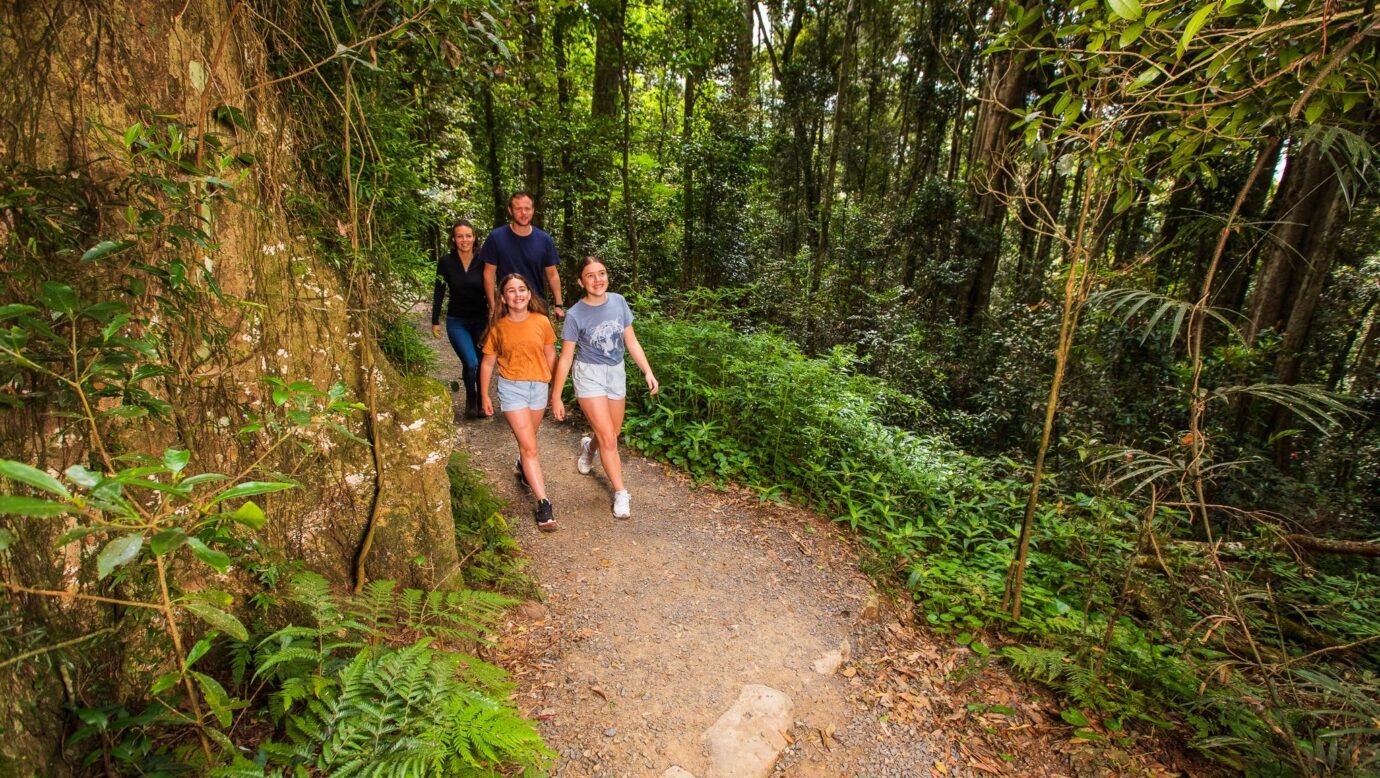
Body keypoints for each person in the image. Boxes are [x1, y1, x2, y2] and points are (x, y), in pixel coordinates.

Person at [550, 257, 659, 519]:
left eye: (602, 273)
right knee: (609, 438)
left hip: (615, 371)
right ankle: (621, 492)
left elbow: (630, 341)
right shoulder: (575, 314)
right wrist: (555, 396)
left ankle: (589, 449)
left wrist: (647, 370)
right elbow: (565, 357)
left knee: (613, 431)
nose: (598, 280)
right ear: (580, 281)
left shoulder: (619, 301)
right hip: (589, 374)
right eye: (590, 275)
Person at [480, 274, 559, 531]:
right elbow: (488, 362)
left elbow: (550, 355)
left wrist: (553, 390)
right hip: (512, 389)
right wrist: (484, 394)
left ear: (529, 294)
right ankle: (544, 504)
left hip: (538, 387)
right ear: (503, 298)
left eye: (522, 289)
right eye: (511, 291)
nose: (517, 295)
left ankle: (521, 464)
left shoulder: (542, 321)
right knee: (530, 447)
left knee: (529, 443)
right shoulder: (498, 327)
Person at [430, 219, 489, 419]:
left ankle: (482, 401)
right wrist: (435, 319)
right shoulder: (446, 261)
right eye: (460, 236)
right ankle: (471, 397)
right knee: (470, 362)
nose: (464, 240)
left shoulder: (484, 260)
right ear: (453, 239)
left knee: (481, 363)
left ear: (474, 238)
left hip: (482, 321)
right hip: (457, 321)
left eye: (468, 236)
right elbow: (439, 290)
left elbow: (494, 288)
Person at [479, 191, 567, 320]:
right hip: (507, 306)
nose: (523, 213)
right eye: (518, 209)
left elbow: (552, 274)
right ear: (510, 210)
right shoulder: (496, 238)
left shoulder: (544, 239)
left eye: (527, 209)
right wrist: (493, 306)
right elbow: (488, 275)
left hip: (537, 306)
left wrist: (558, 304)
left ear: (533, 210)